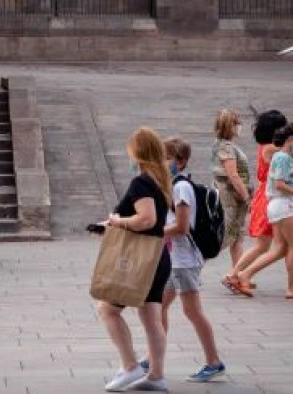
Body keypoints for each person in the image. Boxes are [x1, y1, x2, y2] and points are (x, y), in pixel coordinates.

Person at [97, 127, 172, 392]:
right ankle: (156, 375)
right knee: (151, 315)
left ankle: (130, 366)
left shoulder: (142, 182)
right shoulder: (161, 180)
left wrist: (118, 221)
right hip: (157, 255)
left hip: (142, 259)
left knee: (107, 309)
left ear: (137, 152)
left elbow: (147, 219)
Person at [162, 137, 225, 382]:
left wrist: (156, 230)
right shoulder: (172, 185)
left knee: (193, 312)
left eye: (167, 158)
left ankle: (213, 361)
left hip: (184, 260)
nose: (162, 162)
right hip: (174, 259)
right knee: (159, 308)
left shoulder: (180, 188)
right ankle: (152, 358)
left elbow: (182, 226)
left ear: (181, 161)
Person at [231, 123, 293, 299]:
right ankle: (292, 288)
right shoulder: (283, 158)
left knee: (280, 249)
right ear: (291, 140)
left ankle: (245, 274)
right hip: (283, 206)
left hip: (278, 205)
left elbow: (280, 183)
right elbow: (279, 184)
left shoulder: (279, 156)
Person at [222, 110, 286, 291]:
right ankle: (235, 275)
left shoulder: (267, 147)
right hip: (268, 198)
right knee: (265, 245)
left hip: (266, 196)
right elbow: (290, 145)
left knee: (266, 245)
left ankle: (236, 275)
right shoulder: (270, 148)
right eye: (282, 128)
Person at [211, 109, 251, 270]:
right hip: (230, 198)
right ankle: (195, 261)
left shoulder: (224, 145)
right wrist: (246, 196)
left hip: (234, 198)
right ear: (230, 126)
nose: (239, 126)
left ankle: (238, 274)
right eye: (237, 123)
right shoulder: (226, 147)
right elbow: (233, 175)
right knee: (227, 235)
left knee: (237, 236)